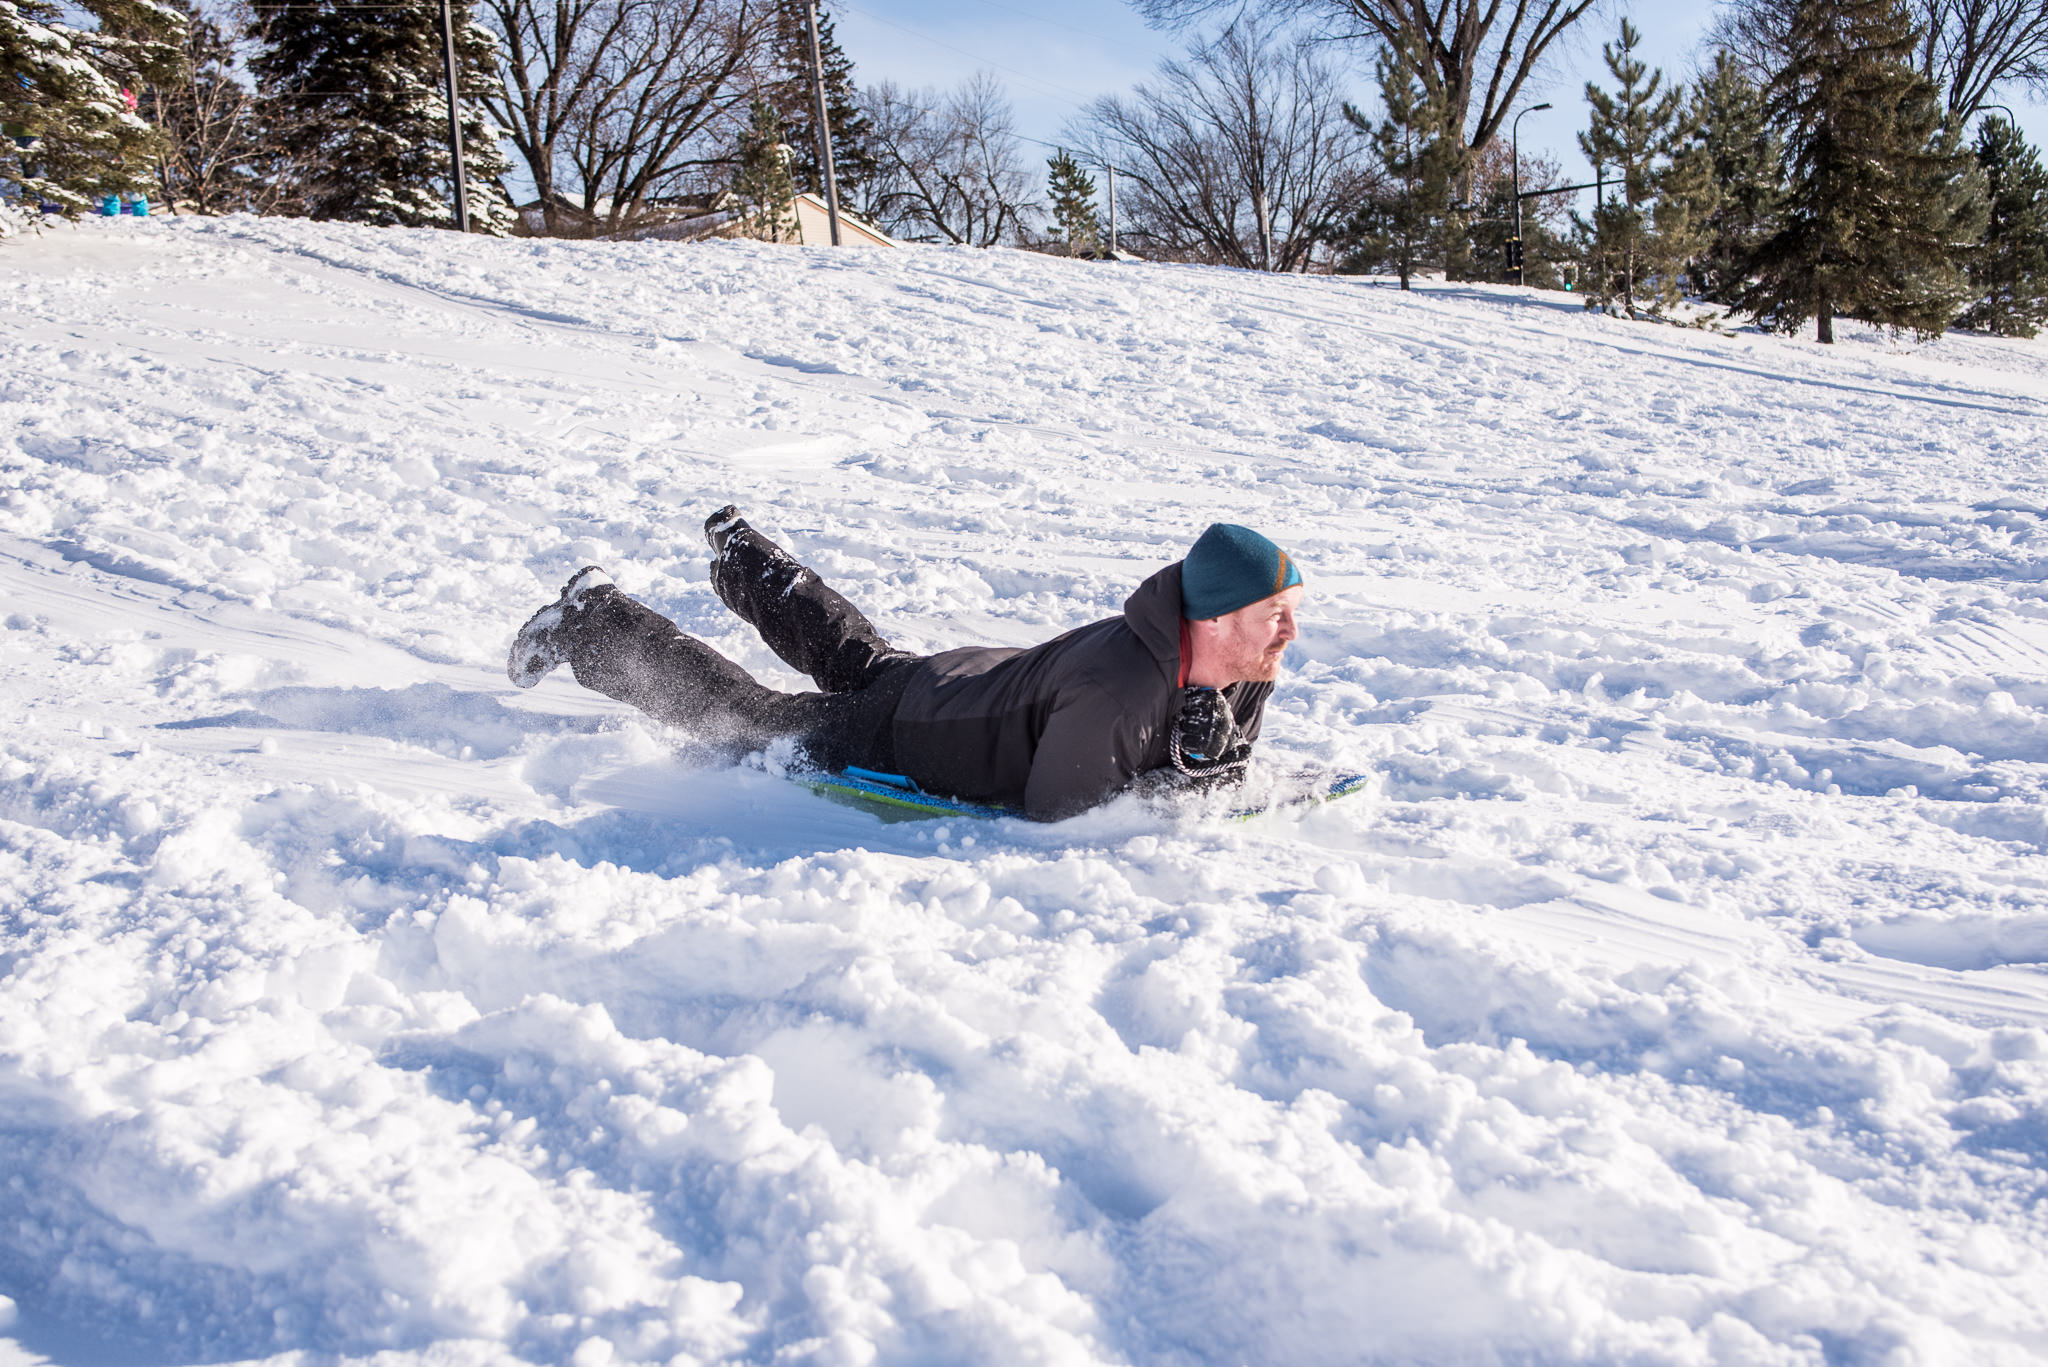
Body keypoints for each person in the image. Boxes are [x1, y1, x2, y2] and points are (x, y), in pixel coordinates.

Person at [507, 509, 1303, 821]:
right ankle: (592, 621)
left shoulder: (1238, 664)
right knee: (749, 722)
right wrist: (1191, 780)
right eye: (1275, 614)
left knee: (860, 657)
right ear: (1216, 616)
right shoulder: (1121, 690)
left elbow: (1219, 757)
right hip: (917, 731)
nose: (1290, 633)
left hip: (962, 681)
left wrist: (1210, 757)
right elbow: (1062, 817)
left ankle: (743, 555)